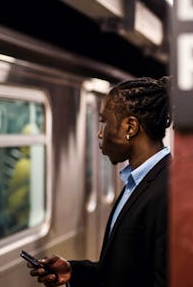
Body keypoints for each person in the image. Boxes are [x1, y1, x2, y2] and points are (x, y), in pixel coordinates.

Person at [28, 76, 172, 287]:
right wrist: (74, 272)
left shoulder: (169, 191)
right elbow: (125, 272)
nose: (100, 132)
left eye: (104, 121)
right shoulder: (139, 183)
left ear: (130, 127)